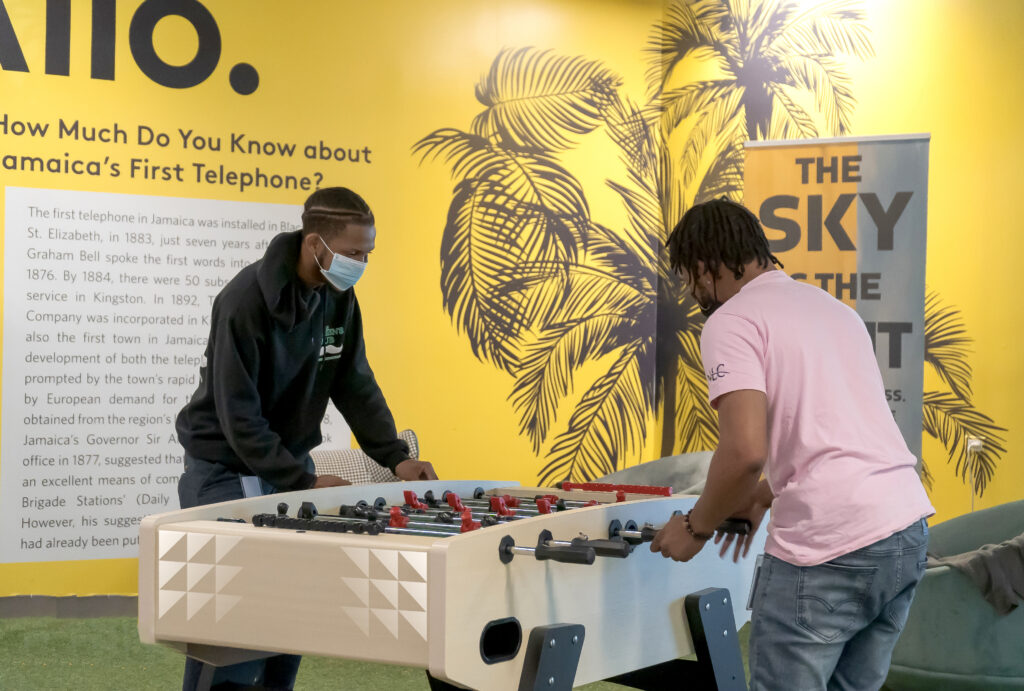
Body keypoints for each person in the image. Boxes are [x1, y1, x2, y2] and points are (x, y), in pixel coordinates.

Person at [652, 198, 934, 691]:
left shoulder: (731, 321)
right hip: (903, 531)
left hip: (829, 547)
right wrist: (763, 495)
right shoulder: (834, 309)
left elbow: (744, 451)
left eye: (691, 277)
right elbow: (836, 431)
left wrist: (695, 529)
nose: (695, 291)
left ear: (705, 266)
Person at [175, 186, 437, 691]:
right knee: (230, 620)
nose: (362, 263)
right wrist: (304, 479)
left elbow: (354, 382)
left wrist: (396, 458)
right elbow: (239, 417)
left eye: (368, 253)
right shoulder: (241, 302)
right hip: (223, 467)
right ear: (316, 244)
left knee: (288, 609)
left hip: (284, 463)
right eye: (355, 253)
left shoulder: (339, 297)